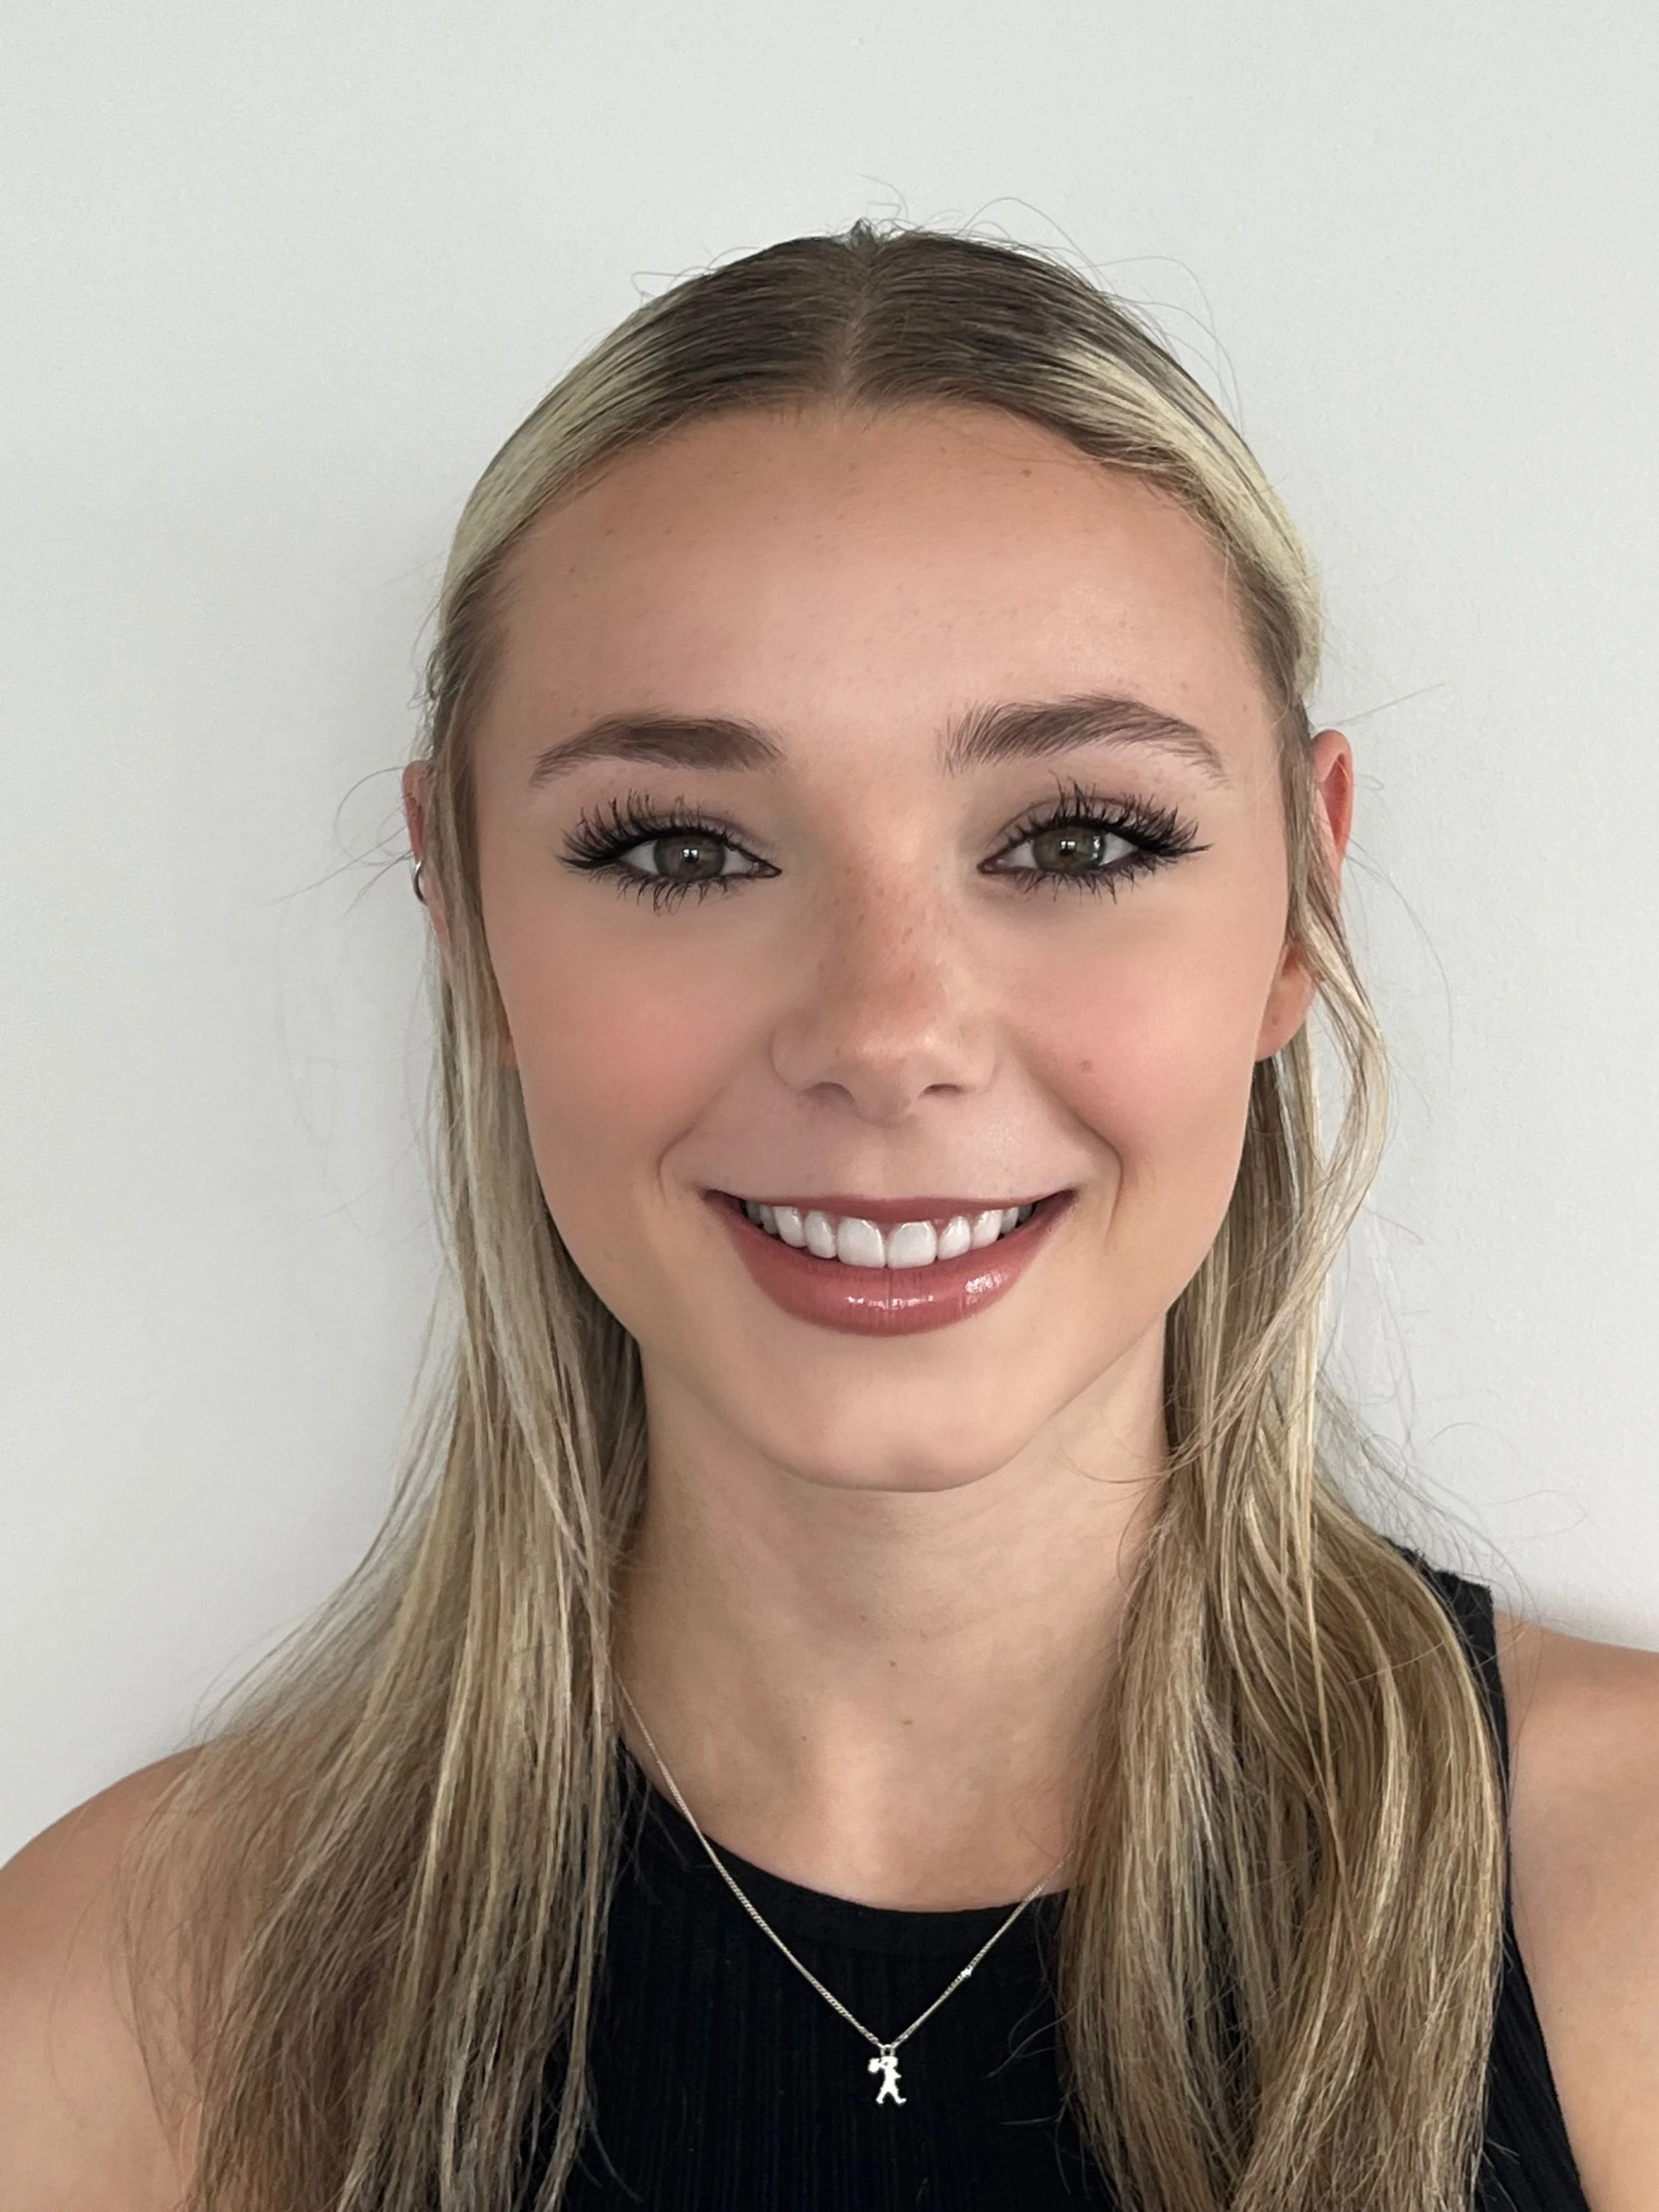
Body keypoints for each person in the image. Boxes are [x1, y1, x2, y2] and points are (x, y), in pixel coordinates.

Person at [1, 222, 1654, 2212]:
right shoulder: (122, 2000)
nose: (885, 1033)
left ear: (1298, 895)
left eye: (1075, 836)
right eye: (681, 848)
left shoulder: (1624, 1908)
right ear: (460, 911)